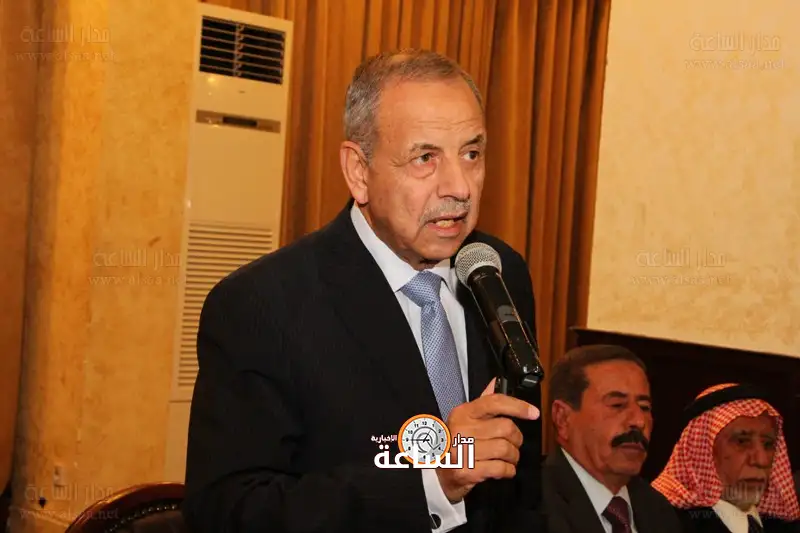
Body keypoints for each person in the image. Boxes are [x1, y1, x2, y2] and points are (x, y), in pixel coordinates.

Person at [181, 49, 545, 533]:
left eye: (471, 154)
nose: (460, 187)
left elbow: (524, 486)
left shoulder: (498, 271)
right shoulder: (261, 305)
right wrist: (430, 482)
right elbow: (229, 512)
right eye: (425, 158)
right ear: (358, 171)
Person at [540, 344, 682, 533]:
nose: (639, 421)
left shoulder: (659, 511)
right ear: (563, 418)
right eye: (617, 405)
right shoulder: (528, 505)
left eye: (645, 407)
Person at [652, 383, 800, 532]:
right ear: (703, 448)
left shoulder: (786, 528)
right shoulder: (663, 524)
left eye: (768, 444)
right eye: (742, 441)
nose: (762, 460)